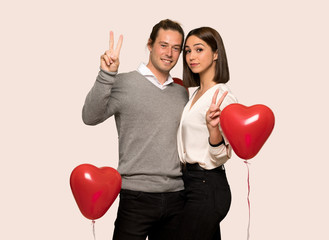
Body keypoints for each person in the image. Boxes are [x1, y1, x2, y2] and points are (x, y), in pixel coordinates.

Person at [82, 19, 188, 240]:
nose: (169, 53)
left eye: (176, 48)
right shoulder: (123, 83)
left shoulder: (181, 93)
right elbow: (90, 117)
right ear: (150, 44)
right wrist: (106, 74)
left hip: (176, 197)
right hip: (136, 197)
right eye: (163, 45)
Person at [176, 27, 238, 240]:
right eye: (187, 50)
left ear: (216, 53)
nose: (191, 56)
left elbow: (223, 155)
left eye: (199, 49)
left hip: (207, 185)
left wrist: (213, 130)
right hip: (189, 183)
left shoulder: (223, 97)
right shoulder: (195, 94)